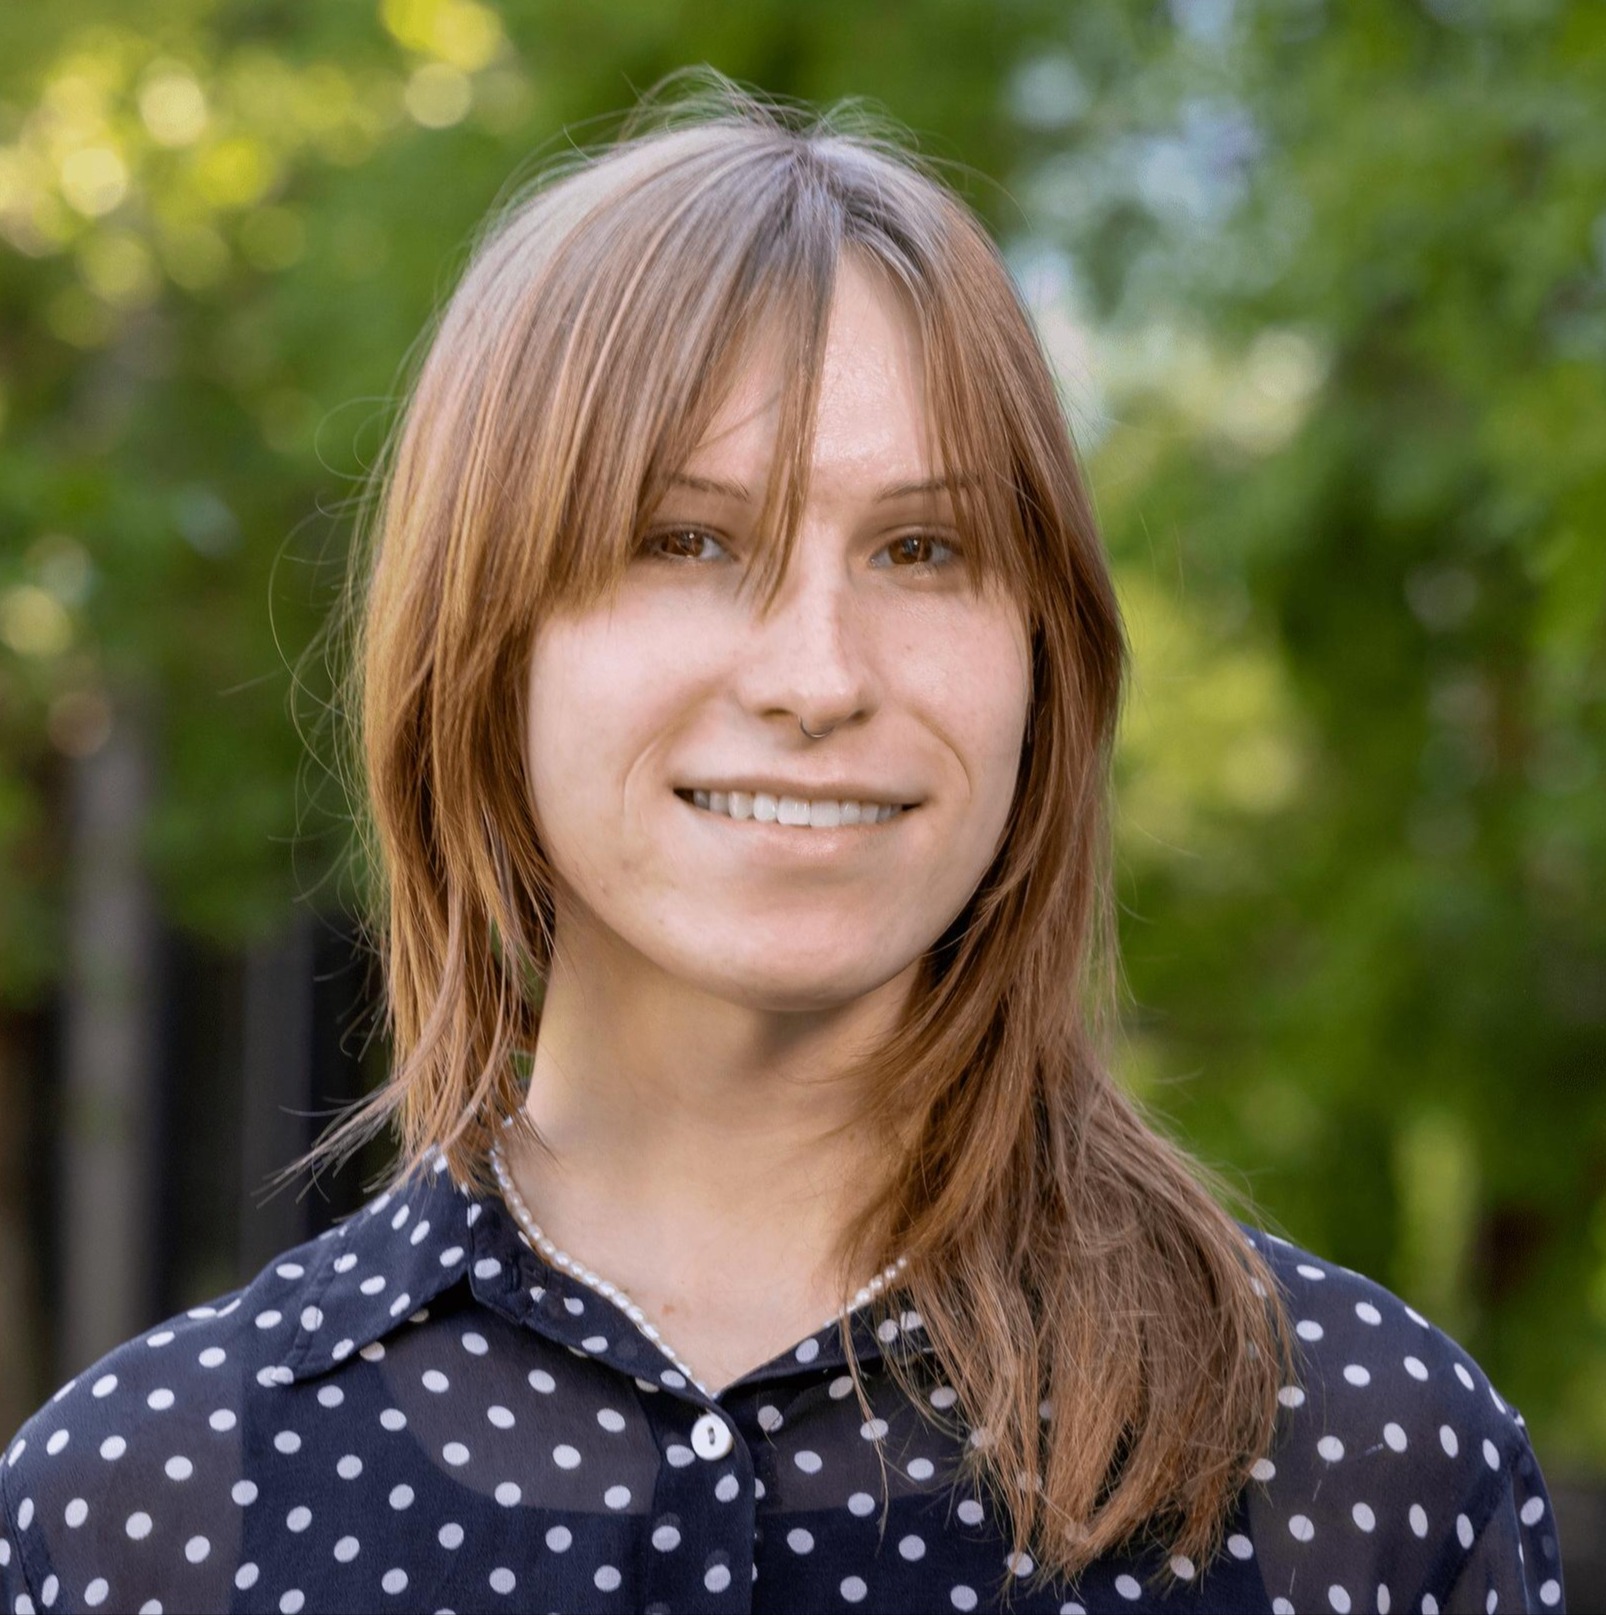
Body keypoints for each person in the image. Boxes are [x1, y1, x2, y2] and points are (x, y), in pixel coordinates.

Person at [0, 80, 1564, 1615]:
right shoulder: (148, 1507)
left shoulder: (1364, 1463)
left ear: (1046, 659)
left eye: (923, 549)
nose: (818, 677)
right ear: (485, 645)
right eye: (686, 541)